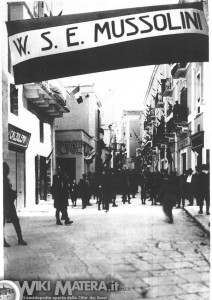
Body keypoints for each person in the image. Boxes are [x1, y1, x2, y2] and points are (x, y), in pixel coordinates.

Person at [3, 162, 27, 247]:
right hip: (5, 204)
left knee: (15, 221)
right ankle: (3, 241)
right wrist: (12, 194)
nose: (8, 171)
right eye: (6, 169)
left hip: (9, 204)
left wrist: (13, 193)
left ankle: (20, 239)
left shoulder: (6, 179)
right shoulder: (3, 180)